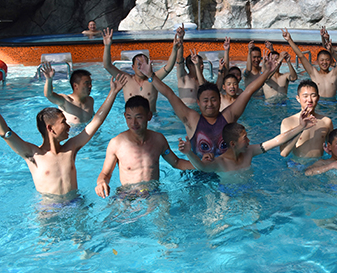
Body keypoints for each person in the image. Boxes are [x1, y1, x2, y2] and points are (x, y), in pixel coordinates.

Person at [0, 74, 126, 195]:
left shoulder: (71, 148)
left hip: (76, 204)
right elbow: (5, 132)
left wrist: (113, 92)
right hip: (49, 211)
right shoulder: (33, 155)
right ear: (50, 128)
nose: (68, 126)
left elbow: (97, 121)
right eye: (63, 122)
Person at [139, 51, 279, 159]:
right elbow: (170, 95)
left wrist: (267, 72)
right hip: (200, 173)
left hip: (225, 173)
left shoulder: (228, 116)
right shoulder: (192, 119)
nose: (210, 104)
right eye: (205, 100)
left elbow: (248, 91)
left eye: (213, 99)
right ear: (198, 103)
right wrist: (151, 76)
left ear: (219, 100)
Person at [95, 95, 194, 198]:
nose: (134, 123)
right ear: (125, 116)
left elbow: (176, 162)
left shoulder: (158, 140)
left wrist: (200, 165)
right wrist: (101, 182)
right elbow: (105, 173)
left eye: (139, 117)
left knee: (165, 203)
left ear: (149, 116)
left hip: (153, 192)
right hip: (127, 193)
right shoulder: (116, 143)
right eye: (129, 117)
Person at [179, 107, 317, 173]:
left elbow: (276, 141)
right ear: (233, 144)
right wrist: (188, 153)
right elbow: (201, 167)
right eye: (245, 138)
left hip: (247, 192)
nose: (249, 141)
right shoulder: (220, 162)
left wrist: (301, 126)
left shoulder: (249, 151)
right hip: (227, 197)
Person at [102, 27, 179, 113]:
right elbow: (107, 66)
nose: (142, 67)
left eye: (144, 64)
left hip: (151, 119)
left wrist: (174, 49)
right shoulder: (126, 80)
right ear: (133, 67)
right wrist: (107, 46)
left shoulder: (153, 79)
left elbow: (168, 67)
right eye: (139, 64)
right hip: (131, 118)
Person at [282, 28, 337, 98]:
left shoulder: (334, 73)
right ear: (317, 61)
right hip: (318, 105)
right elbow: (301, 56)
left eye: (327, 60)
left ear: (330, 61)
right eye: (322, 60)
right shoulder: (314, 73)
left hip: (332, 106)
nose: (324, 62)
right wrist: (289, 40)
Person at [279, 80, 334, 158]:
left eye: (313, 96)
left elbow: (332, 149)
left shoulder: (326, 122)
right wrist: (301, 128)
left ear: (318, 98)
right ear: (298, 98)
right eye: (305, 96)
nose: (309, 100)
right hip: (297, 164)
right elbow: (284, 153)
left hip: (318, 164)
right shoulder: (288, 122)